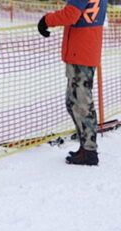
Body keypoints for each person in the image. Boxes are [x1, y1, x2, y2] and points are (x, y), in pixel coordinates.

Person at [36, 0, 108, 166]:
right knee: (73, 102)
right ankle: (86, 145)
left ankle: (89, 150)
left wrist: (46, 20)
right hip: (85, 49)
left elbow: (71, 15)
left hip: (81, 51)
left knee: (80, 102)